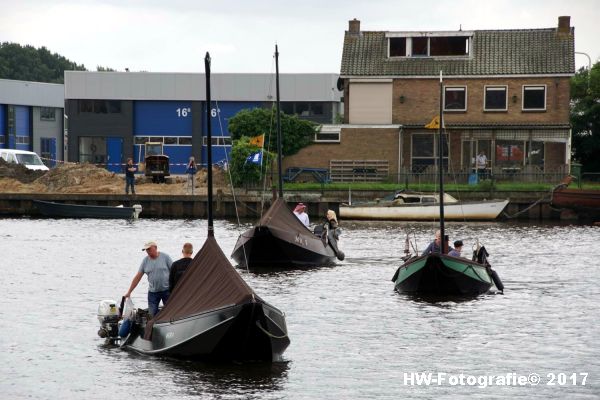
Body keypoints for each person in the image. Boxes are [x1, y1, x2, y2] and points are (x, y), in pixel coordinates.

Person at [124, 241, 173, 318]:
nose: (147, 251)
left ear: (155, 248)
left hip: (167, 290)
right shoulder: (145, 261)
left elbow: (174, 272)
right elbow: (138, 277)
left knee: (171, 312)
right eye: (146, 250)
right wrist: (129, 292)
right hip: (153, 293)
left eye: (149, 249)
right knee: (152, 315)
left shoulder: (165, 257)